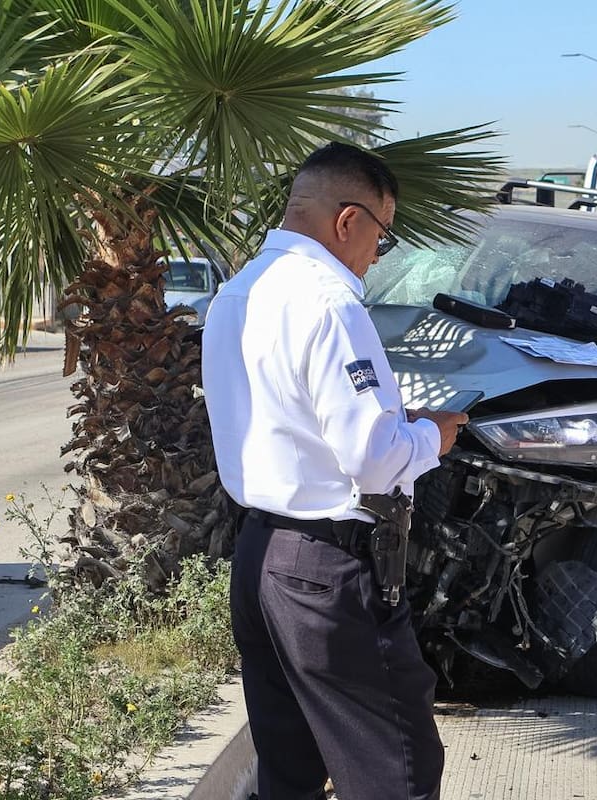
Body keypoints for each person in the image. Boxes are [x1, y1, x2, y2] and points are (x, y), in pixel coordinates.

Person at [202, 142, 466, 800]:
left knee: (287, 772)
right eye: (384, 235)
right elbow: (373, 460)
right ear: (349, 221)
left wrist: (391, 422)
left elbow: (291, 421)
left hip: (261, 557)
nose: (380, 255)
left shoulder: (235, 295)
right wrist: (432, 435)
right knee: (396, 769)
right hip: (330, 571)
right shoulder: (329, 303)